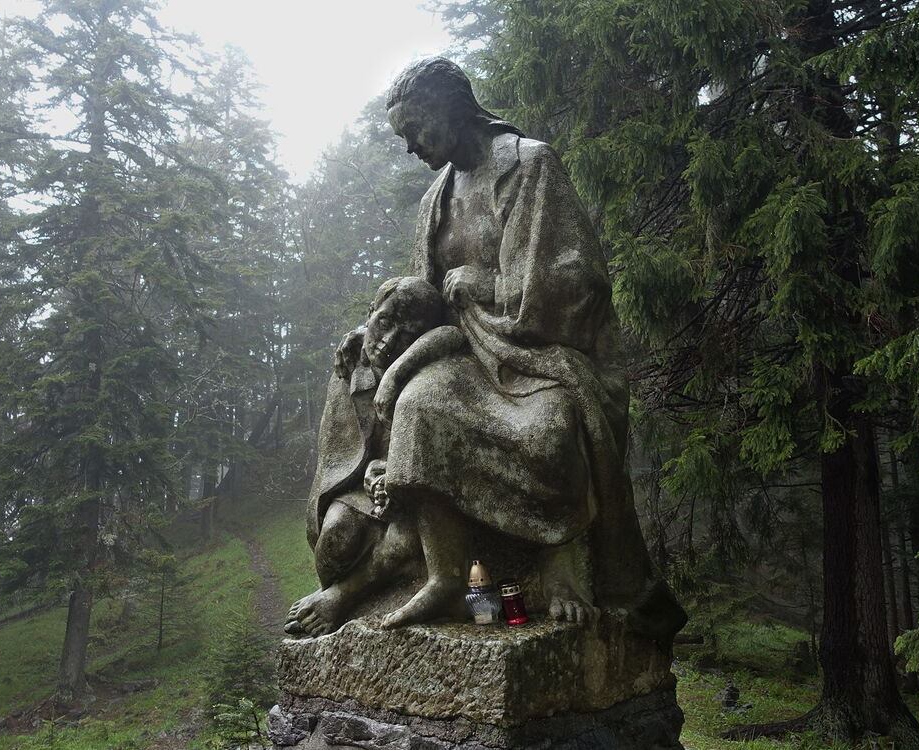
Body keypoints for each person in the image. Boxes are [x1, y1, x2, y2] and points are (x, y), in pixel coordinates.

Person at [367, 57, 685, 637]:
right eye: (403, 136)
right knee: (419, 404)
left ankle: (561, 564)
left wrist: (487, 285)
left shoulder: (529, 164)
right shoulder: (434, 200)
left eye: (415, 129)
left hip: (541, 353)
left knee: (550, 427)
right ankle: (444, 577)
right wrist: (374, 330)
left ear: (448, 109)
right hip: (466, 351)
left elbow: (577, 279)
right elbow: (426, 299)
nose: (411, 146)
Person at [285, 277, 466, 637]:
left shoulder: (428, 375)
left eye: (406, 335)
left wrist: (388, 474)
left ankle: (343, 595)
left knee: (405, 538)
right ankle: (338, 585)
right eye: (384, 323)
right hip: (360, 490)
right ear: (370, 314)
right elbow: (338, 454)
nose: (387, 342)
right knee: (333, 541)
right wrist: (368, 475)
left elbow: (455, 337)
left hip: (407, 488)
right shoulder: (349, 369)